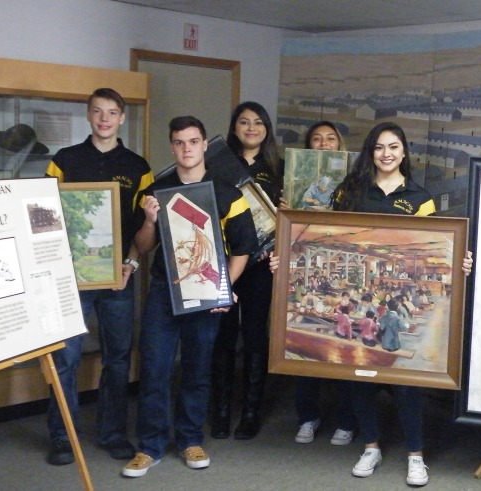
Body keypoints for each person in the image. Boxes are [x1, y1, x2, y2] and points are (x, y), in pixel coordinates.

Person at [271, 121, 473, 486]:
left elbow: (440, 240)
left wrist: (462, 260)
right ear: (370, 151)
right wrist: (285, 252)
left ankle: (416, 455)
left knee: (408, 385)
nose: (386, 154)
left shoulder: (418, 198)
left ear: (404, 152)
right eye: (379, 147)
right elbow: (320, 229)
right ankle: (371, 446)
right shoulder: (350, 191)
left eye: (394, 147)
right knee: (359, 378)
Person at [121, 116, 257, 478]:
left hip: (206, 292)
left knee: (197, 370)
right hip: (165, 291)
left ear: (203, 145)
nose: (187, 149)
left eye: (193, 141)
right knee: (155, 369)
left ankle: (190, 439)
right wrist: (149, 221)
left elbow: (243, 248)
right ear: (172, 146)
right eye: (180, 143)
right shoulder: (155, 190)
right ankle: (149, 447)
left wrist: (224, 288)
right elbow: (144, 247)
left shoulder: (229, 192)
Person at [44, 88, 154, 466]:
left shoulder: (139, 167)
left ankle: (112, 433)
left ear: (122, 117)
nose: (104, 119)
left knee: (119, 360)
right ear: (89, 116)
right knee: (65, 359)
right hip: (71, 280)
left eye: (112, 113)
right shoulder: (64, 160)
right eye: (97, 112)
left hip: (118, 280)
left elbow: (144, 230)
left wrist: (132, 265)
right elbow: (44, 216)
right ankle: (63, 436)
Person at [209, 101, 284, 441]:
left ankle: (251, 411)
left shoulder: (279, 167)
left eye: (258, 122)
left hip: (262, 265)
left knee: (254, 335)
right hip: (225, 261)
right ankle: (221, 410)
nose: (251, 128)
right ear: (234, 127)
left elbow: (293, 219)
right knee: (222, 333)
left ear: (267, 128)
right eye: (243, 122)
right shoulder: (218, 162)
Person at [294, 121, 357, 447]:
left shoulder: (354, 182)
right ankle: (308, 415)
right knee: (302, 350)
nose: (323, 143)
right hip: (306, 256)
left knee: (344, 350)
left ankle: (347, 420)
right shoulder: (300, 183)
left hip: (339, 255)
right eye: (316, 139)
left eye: (330, 139)